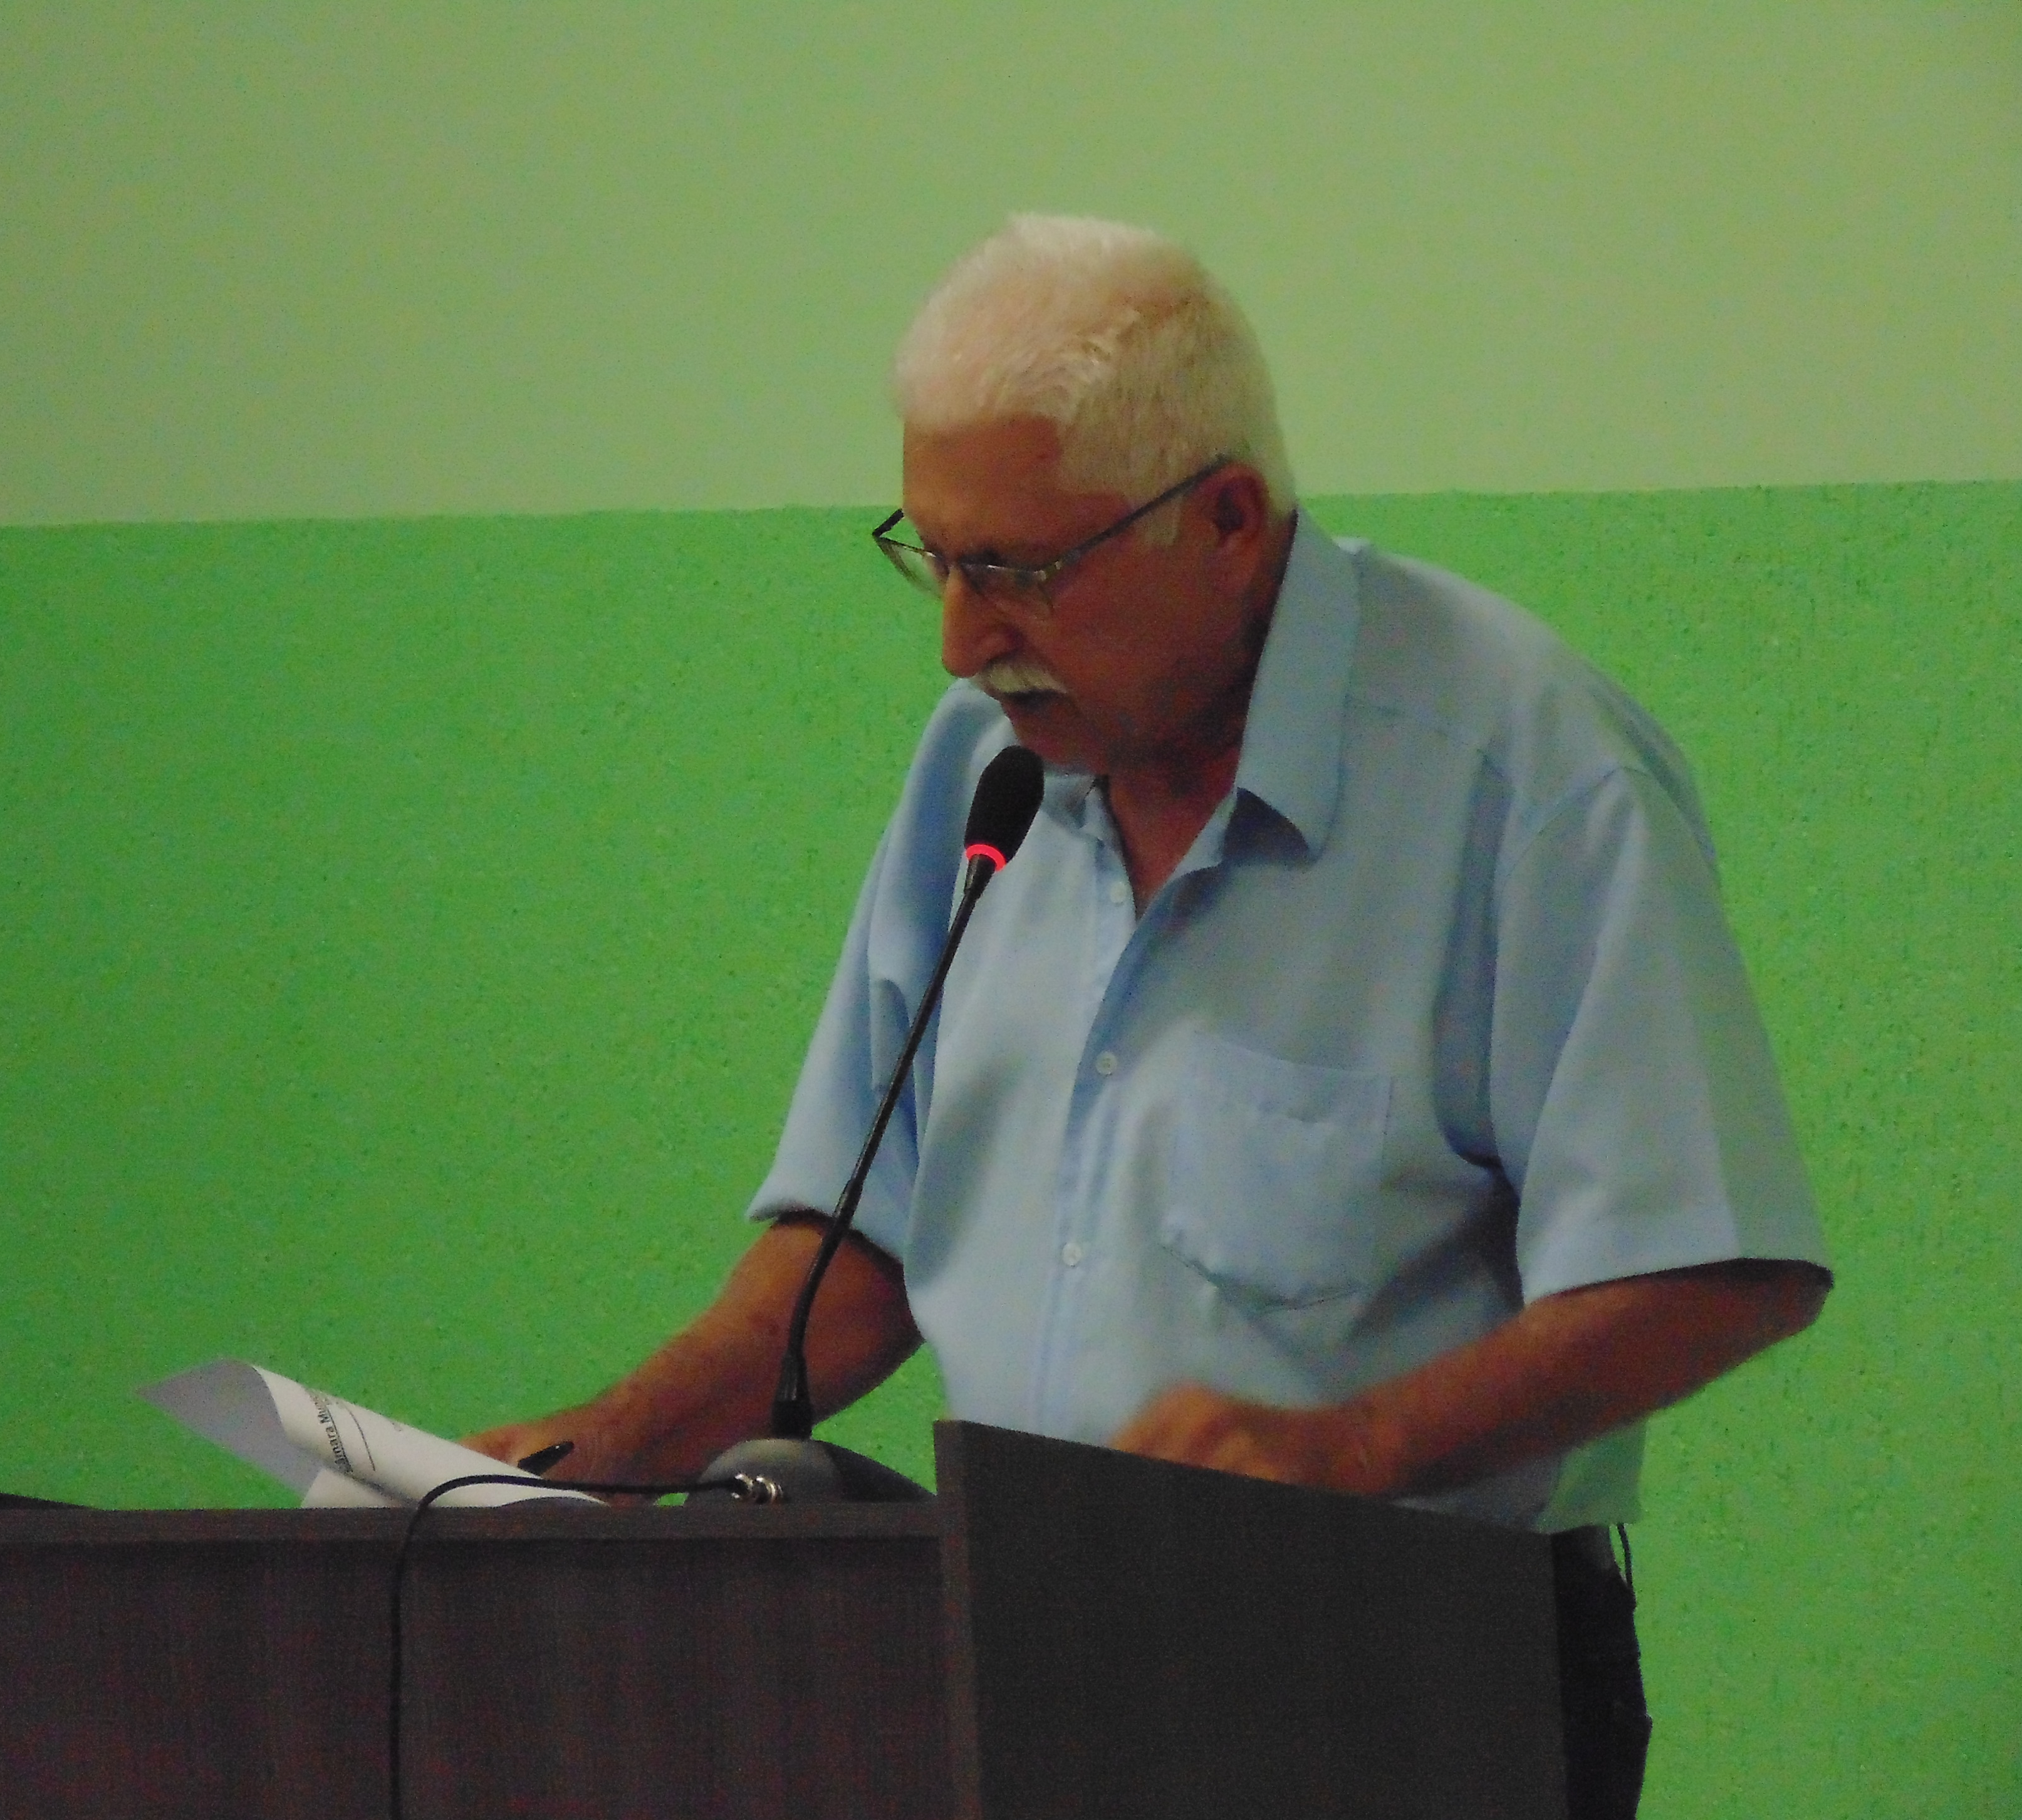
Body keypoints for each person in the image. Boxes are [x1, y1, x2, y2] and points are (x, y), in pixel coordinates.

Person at [467, 215, 1832, 1818]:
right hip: (1029, 1670)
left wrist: (1350, 1454)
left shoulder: (1522, 771)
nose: (962, 641)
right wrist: (599, 1454)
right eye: (933, 558)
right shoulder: (983, 767)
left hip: (1406, 1682)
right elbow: (860, 1248)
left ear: (1228, 520)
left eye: (1017, 572)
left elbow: (1711, 1266)